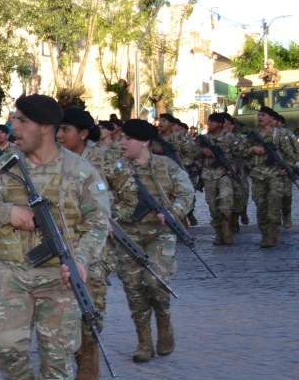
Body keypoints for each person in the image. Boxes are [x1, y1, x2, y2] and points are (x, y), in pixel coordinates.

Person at [0, 94, 109, 380]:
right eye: (14, 120)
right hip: (14, 272)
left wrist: (80, 259)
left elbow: (98, 224)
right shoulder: (4, 166)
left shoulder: (81, 171)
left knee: (57, 356)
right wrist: (8, 211)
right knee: (2, 342)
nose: (13, 127)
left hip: (60, 278)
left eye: (22, 121)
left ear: (45, 127)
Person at [55, 108, 137, 380]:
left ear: (83, 133)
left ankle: (88, 355)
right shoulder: (52, 160)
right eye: (58, 129)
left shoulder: (106, 159)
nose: (59, 135)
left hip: (96, 245)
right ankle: (68, 356)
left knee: (89, 300)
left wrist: (111, 220)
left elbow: (130, 197)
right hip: (61, 243)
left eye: (66, 130)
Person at [116, 119, 193, 361]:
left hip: (159, 233)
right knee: (134, 289)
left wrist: (173, 212)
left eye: (128, 138)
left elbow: (186, 193)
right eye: (122, 137)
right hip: (127, 235)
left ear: (144, 142)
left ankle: (164, 320)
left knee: (155, 281)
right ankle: (144, 342)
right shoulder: (117, 168)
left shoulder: (165, 165)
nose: (122, 142)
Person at [245, 107, 299, 247]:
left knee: (274, 201)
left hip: (276, 174)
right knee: (261, 204)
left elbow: (292, 155)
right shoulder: (253, 135)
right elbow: (239, 151)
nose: (260, 117)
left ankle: (273, 232)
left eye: (263, 115)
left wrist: (287, 168)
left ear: (271, 118)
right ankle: (264, 233)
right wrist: (252, 149)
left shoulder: (281, 135)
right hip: (258, 175)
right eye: (258, 115)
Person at [197, 113, 240, 245]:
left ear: (220, 124)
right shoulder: (203, 139)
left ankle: (226, 226)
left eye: (212, 122)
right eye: (209, 121)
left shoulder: (229, 137)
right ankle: (218, 232)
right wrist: (202, 151)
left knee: (226, 198)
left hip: (224, 173)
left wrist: (234, 166)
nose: (209, 124)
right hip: (208, 175)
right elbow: (191, 152)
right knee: (212, 204)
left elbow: (239, 154)